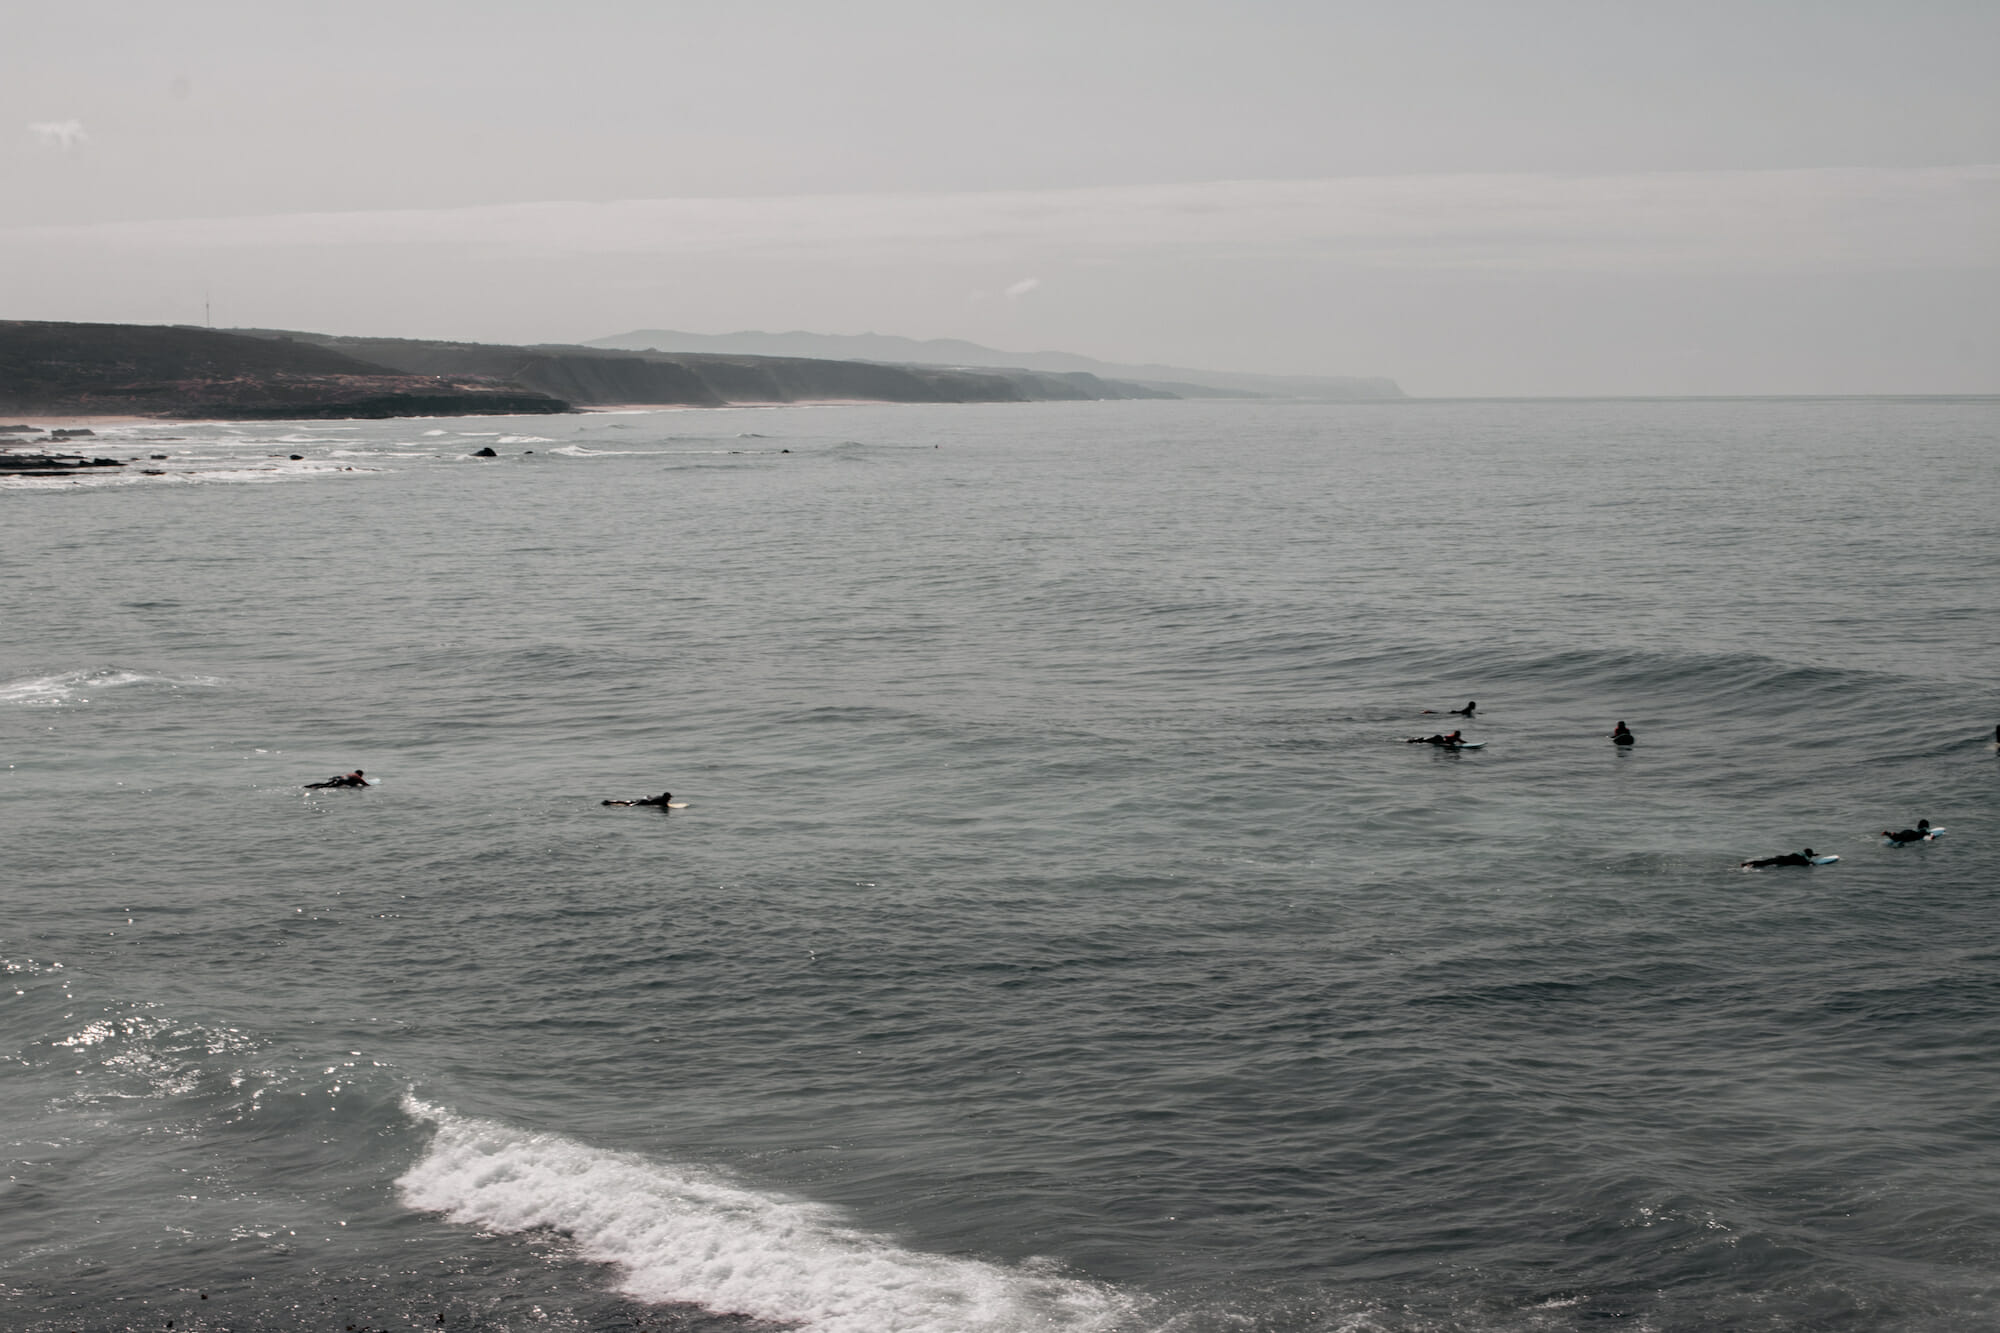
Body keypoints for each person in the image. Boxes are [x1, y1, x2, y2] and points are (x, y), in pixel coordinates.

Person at [1741, 848, 1818, 868]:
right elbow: (1806, 863)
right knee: (1764, 864)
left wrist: (1813, 855)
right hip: (1780, 861)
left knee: (1764, 862)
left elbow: (1805, 856)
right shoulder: (1802, 859)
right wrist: (1813, 863)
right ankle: (1746, 865)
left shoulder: (1798, 854)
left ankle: (1746, 864)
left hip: (1780, 858)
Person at [603, 790, 672, 807]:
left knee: (626, 802)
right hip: (642, 802)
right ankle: (609, 802)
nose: (670, 799)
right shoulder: (662, 801)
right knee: (627, 805)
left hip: (643, 800)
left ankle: (609, 802)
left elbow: (649, 797)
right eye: (669, 797)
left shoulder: (660, 797)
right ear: (666, 797)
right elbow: (666, 806)